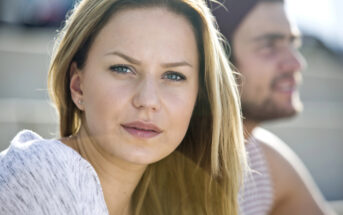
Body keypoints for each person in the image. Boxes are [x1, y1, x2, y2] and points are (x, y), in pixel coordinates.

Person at [0, 0, 248, 214]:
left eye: (173, 76)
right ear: (77, 86)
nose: (148, 101)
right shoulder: (43, 174)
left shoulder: (167, 202)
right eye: (122, 69)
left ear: (199, 98)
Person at [212, 0, 336, 214]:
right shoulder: (159, 164)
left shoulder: (261, 160)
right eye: (269, 46)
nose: (297, 64)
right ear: (217, 59)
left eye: (293, 44)